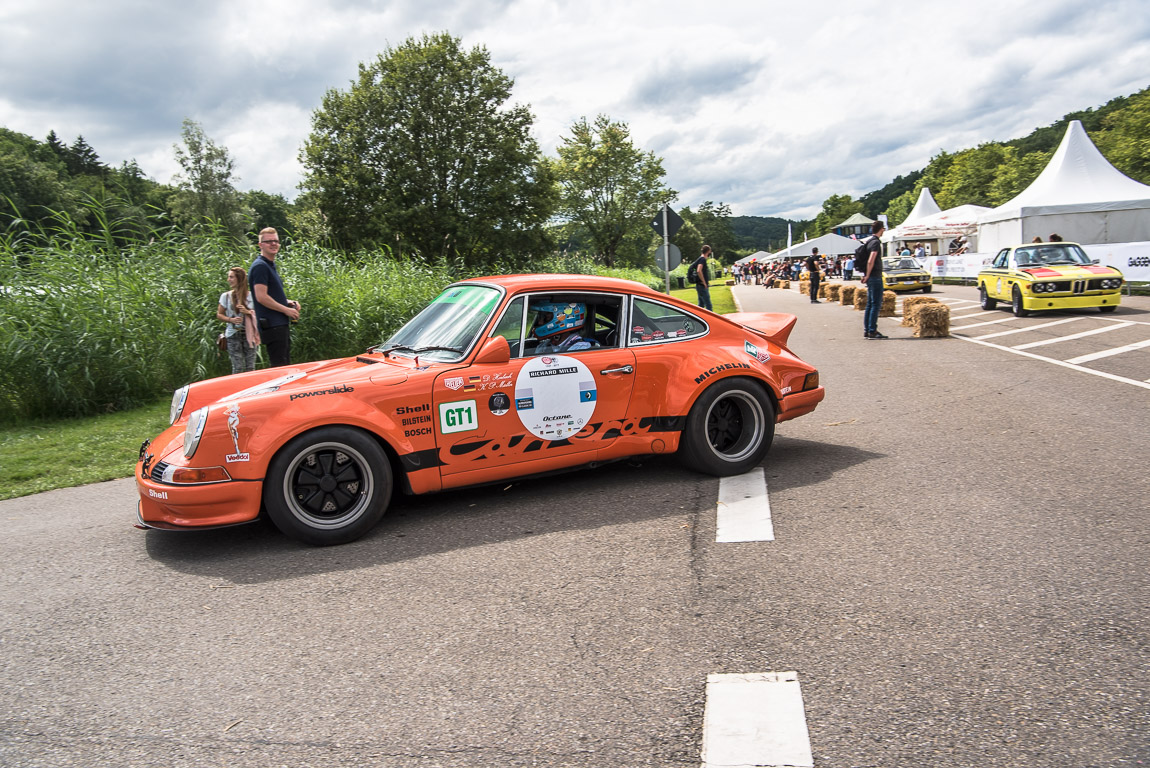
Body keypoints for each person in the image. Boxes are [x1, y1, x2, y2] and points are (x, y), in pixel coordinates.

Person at [249, 227, 300, 367]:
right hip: (272, 325)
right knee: (280, 367)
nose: (273, 244)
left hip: (278, 324)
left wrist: (288, 302)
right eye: (269, 241)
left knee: (284, 363)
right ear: (260, 245)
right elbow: (261, 297)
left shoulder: (269, 265)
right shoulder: (260, 266)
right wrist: (286, 310)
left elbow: (268, 294)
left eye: (276, 241)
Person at [216, 266, 260, 374]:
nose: (229, 280)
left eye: (231, 277)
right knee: (238, 368)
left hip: (249, 334)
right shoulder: (226, 296)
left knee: (250, 367)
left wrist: (248, 312)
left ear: (239, 279)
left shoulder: (251, 296)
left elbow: (260, 314)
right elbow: (219, 315)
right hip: (233, 334)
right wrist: (231, 320)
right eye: (229, 277)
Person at [531, 301, 600, 353]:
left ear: (562, 318)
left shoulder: (581, 348)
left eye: (545, 317)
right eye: (540, 317)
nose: (540, 322)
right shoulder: (544, 346)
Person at [860, 220, 887, 339]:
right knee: (875, 304)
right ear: (881, 229)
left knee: (870, 304)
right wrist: (868, 274)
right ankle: (872, 330)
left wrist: (865, 274)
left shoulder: (869, 242)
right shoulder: (875, 243)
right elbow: (871, 260)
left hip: (870, 276)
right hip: (875, 276)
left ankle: (867, 329)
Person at [692, 245, 713, 311]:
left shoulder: (699, 259)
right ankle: (711, 319)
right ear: (708, 251)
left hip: (699, 285)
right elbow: (699, 270)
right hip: (702, 285)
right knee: (708, 305)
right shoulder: (702, 259)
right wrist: (704, 282)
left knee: (701, 305)